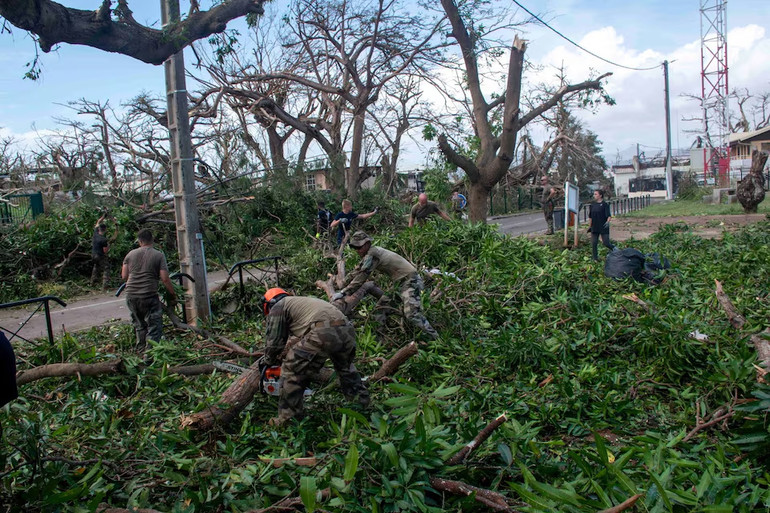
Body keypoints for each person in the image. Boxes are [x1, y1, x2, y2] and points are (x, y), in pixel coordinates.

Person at [260, 288, 369, 427]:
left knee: (291, 369)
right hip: (346, 329)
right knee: (346, 369)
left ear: (269, 303)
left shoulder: (278, 306)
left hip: (323, 331)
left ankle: (288, 419)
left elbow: (275, 341)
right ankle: (361, 405)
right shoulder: (299, 302)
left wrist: (268, 360)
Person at [333, 231, 438, 339]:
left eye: (359, 247)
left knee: (412, 314)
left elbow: (362, 277)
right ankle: (378, 340)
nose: (357, 250)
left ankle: (435, 339)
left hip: (410, 281)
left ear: (367, 244)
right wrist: (344, 282)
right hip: (399, 284)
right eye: (355, 248)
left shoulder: (373, 254)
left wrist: (344, 292)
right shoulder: (369, 254)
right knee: (380, 310)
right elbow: (357, 270)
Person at [121, 229, 176, 349]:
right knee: (154, 327)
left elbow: (124, 276)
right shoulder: (158, 255)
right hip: (148, 296)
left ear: (139, 241)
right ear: (152, 240)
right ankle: (150, 355)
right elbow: (165, 279)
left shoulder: (130, 254)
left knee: (140, 325)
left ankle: (141, 351)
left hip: (131, 295)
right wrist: (172, 293)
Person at [587, 189, 615, 261]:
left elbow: (608, 216)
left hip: (603, 226)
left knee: (606, 243)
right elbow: (590, 217)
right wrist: (590, 226)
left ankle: (615, 250)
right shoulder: (592, 205)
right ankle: (595, 258)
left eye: (596, 194)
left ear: (600, 195)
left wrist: (608, 222)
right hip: (594, 226)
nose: (594, 195)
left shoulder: (605, 205)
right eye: (594, 194)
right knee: (594, 243)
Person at [90, 214, 111, 289]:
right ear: (105, 230)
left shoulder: (95, 233)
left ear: (99, 229)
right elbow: (105, 251)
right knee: (106, 268)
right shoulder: (104, 239)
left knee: (96, 266)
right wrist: (108, 246)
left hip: (93, 255)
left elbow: (98, 221)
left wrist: (103, 216)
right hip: (99, 255)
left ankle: (92, 283)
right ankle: (105, 285)